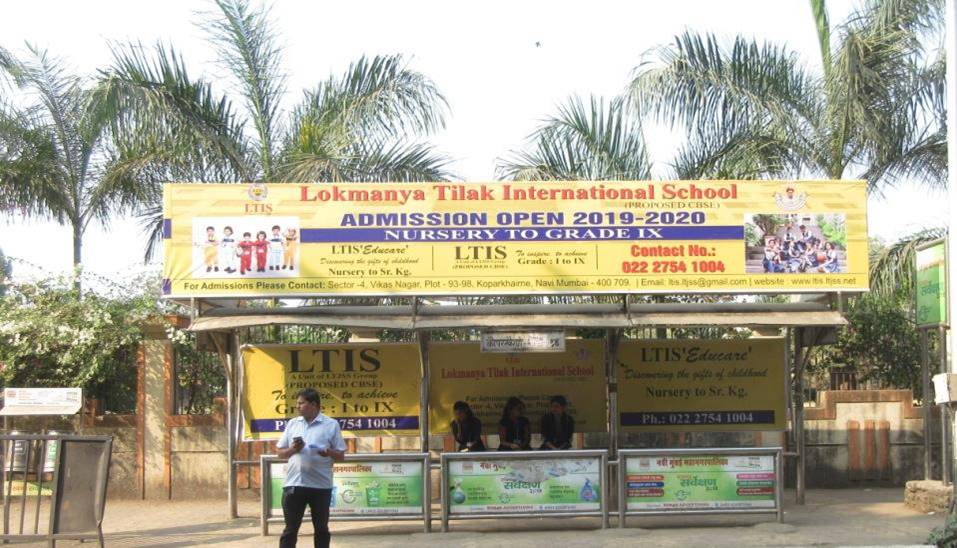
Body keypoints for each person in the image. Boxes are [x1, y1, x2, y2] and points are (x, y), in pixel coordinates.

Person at [276, 388, 346, 548]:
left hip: (320, 486)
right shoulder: (293, 424)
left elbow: (341, 455)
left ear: (313, 404)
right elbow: (280, 453)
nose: (297, 406)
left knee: (321, 529)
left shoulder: (331, 425)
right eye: (297, 403)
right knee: (290, 529)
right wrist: (293, 449)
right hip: (295, 485)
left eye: (301, 403)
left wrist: (328, 452)